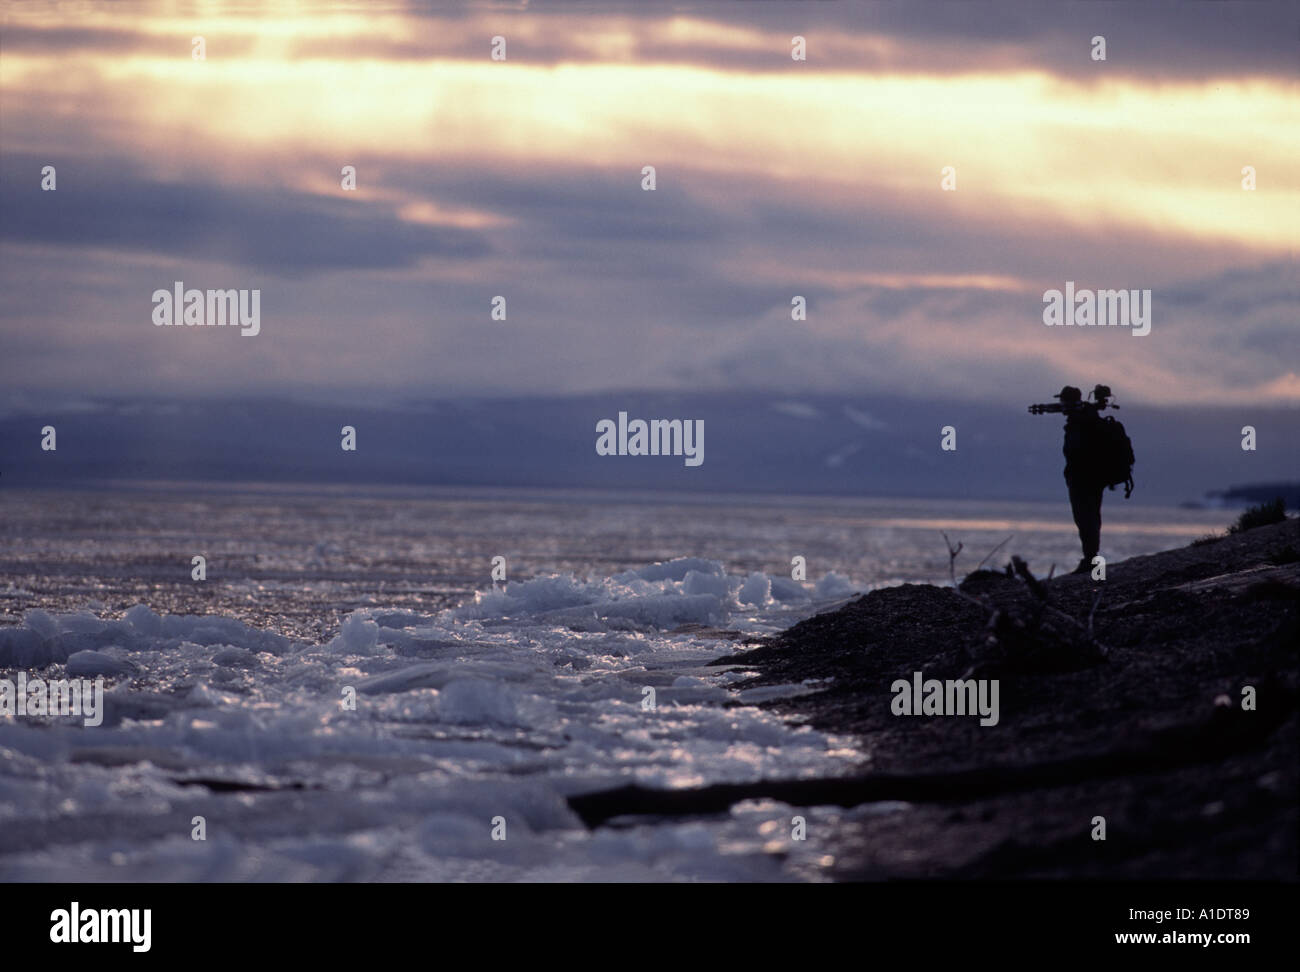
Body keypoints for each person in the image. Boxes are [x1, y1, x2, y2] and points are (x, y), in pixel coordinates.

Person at [1053, 385, 1108, 574]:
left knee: (1085, 519)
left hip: (1082, 479)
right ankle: (1092, 558)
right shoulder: (1089, 418)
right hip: (1094, 478)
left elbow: (1076, 452)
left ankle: (1090, 559)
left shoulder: (1080, 422)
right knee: (1092, 517)